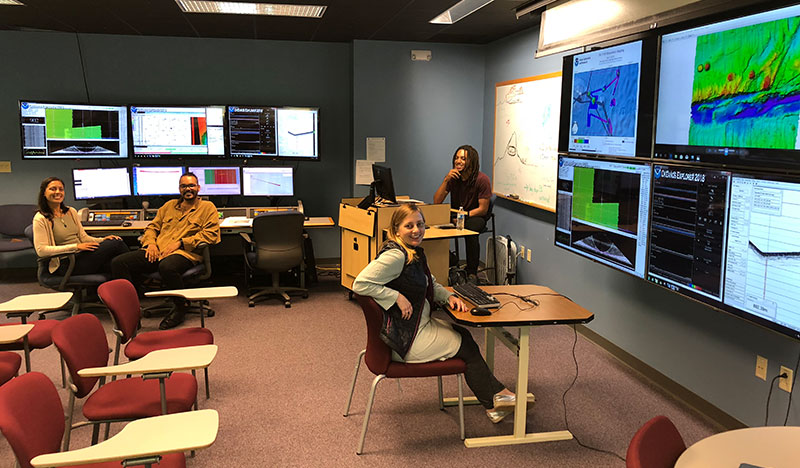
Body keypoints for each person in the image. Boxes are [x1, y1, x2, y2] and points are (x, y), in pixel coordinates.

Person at [352, 203, 519, 423]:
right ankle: (496, 401)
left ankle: (495, 400)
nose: (416, 230)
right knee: (466, 345)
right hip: (406, 341)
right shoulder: (396, 256)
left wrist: (448, 297)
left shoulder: (412, 253)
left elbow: (428, 282)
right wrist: (396, 297)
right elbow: (360, 283)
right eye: (408, 225)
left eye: (420, 225)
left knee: (465, 337)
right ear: (396, 230)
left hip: (409, 329)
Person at [111, 172, 220, 330]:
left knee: (167, 266)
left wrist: (181, 243)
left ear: (198, 187)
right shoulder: (168, 206)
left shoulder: (207, 208)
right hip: (158, 250)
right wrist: (151, 244)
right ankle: (130, 312)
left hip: (185, 253)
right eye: (184, 186)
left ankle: (181, 307)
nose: (188, 189)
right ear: (179, 189)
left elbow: (211, 235)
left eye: (191, 185)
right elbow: (152, 227)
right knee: (119, 262)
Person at [32, 176, 129, 278]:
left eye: (61, 189)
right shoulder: (40, 219)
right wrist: (76, 247)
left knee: (116, 263)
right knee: (116, 244)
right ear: (44, 193)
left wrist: (102, 239)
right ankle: (141, 280)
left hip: (82, 255)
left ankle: (134, 287)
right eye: (53, 189)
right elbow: (41, 250)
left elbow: (84, 238)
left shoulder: (71, 211)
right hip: (66, 263)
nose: (58, 192)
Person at [433, 144, 491, 284]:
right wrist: (446, 180)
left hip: (475, 216)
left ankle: (472, 272)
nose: (458, 161)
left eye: (463, 158)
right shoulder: (453, 178)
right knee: (432, 223)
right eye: (457, 158)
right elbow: (437, 201)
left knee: (469, 230)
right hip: (456, 215)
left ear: (472, 161)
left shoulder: (482, 180)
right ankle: (451, 261)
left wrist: (463, 216)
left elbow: (483, 209)